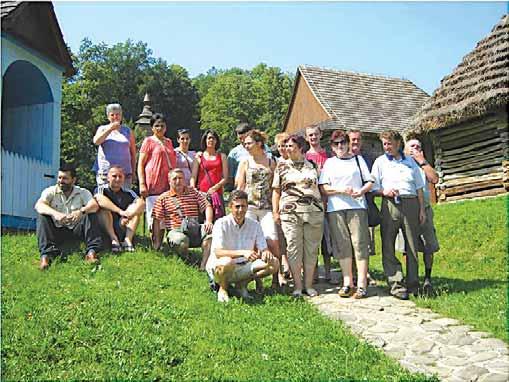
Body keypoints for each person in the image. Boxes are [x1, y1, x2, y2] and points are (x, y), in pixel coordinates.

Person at [371, 130, 426, 300]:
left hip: (411, 203)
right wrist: (384, 191)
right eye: (384, 144)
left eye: (389, 144)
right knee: (388, 243)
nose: (387, 147)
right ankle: (396, 283)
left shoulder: (410, 162)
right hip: (390, 204)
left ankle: (413, 284)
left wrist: (422, 210)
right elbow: (372, 188)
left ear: (398, 144)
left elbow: (419, 187)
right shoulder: (380, 162)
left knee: (411, 244)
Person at [319, 130, 374, 299]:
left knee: (360, 243)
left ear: (348, 143)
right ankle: (347, 282)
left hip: (357, 206)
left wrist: (361, 191)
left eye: (343, 142)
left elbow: (370, 181)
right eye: (336, 144)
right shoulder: (329, 163)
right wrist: (340, 190)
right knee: (342, 245)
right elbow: (324, 187)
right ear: (332, 147)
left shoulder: (358, 160)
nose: (340, 146)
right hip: (336, 208)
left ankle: (362, 284)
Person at [273, 135, 324, 297]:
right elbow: (276, 191)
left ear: (301, 147)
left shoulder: (313, 165)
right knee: (293, 248)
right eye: (285, 146)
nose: (287, 148)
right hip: (290, 213)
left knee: (311, 250)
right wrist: (275, 212)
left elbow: (321, 188)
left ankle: (308, 286)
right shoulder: (281, 167)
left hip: (313, 212)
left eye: (290, 146)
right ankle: (297, 286)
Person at [206, 190, 279, 303]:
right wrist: (243, 252)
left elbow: (263, 248)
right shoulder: (221, 223)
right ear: (230, 207)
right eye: (237, 206)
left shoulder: (254, 225)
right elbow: (218, 252)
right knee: (227, 262)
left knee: (274, 263)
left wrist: (266, 253)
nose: (240, 210)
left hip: (243, 266)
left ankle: (241, 285)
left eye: (243, 206)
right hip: (222, 266)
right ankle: (223, 289)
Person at [236, 129, 285, 288]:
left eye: (249, 143)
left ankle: (277, 276)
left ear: (259, 143)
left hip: (267, 208)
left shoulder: (272, 161)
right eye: (245, 143)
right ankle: (258, 280)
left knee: (272, 241)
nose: (246, 145)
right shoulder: (245, 162)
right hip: (249, 207)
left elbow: (278, 186)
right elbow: (240, 186)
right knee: (252, 244)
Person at [35, 165, 102, 270]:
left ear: (73, 180)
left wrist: (81, 211)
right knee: (42, 216)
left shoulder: (82, 192)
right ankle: (46, 256)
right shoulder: (50, 191)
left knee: (91, 214)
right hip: (56, 230)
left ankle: (91, 253)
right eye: (59, 178)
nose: (61, 181)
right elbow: (39, 205)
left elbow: (94, 205)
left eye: (65, 178)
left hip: (76, 229)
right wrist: (55, 214)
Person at [152, 169, 214, 269]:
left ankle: (204, 264)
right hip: (176, 231)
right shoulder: (163, 198)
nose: (178, 181)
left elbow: (207, 206)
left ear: (184, 180)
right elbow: (156, 220)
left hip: (194, 228)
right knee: (181, 240)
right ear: (169, 181)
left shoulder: (193, 192)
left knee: (212, 233)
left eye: (180, 178)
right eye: (175, 179)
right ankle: (187, 260)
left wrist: (209, 221)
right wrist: (156, 243)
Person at [403, 138, 440, 295]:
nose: (415, 149)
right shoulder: (402, 163)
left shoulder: (423, 165)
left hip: (424, 208)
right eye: (412, 146)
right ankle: (411, 278)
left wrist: (422, 161)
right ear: (405, 149)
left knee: (428, 246)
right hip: (407, 209)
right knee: (407, 247)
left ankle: (427, 278)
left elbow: (434, 179)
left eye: (418, 146)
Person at [304, 124, 333, 283]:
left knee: (327, 240)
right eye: (310, 135)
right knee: (311, 240)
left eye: (315, 134)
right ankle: (313, 273)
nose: (313, 138)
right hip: (311, 203)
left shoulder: (328, 156)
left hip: (327, 202)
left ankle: (328, 272)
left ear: (320, 135)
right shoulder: (305, 157)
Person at [138, 113, 177, 231]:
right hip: (153, 181)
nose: (159, 128)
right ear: (152, 128)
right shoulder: (148, 141)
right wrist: (142, 183)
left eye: (162, 125)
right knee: (154, 211)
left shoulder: (169, 142)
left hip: (167, 181)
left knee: (167, 210)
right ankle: (154, 240)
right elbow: (140, 164)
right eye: (157, 126)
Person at [348, 129, 377, 284]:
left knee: (364, 242)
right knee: (351, 241)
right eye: (352, 139)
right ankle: (352, 272)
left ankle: (365, 273)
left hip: (365, 204)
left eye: (358, 139)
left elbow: (373, 180)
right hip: (347, 205)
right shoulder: (342, 159)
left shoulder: (368, 159)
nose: (355, 142)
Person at [95, 165, 145, 252]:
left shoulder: (129, 192)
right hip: (105, 226)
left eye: (120, 176)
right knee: (103, 210)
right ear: (108, 178)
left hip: (122, 224)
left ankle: (127, 240)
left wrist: (129, 215)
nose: (117, 179)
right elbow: (99, 199)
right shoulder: (101, 189)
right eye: (114, 176)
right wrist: (120, 212)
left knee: (136, 212)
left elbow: (141, 203)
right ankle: (113, 239)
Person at [93, 103, 137, 188]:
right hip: (106, 174)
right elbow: (96, 141)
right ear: (108, 116)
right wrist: (110, 129)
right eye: (112, 115)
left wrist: (133, 172)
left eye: (117, 114)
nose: (115, 117)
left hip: (124, 174)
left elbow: (133, 153)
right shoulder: (102, 129)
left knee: (124, 198)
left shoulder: (127, 131)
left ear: (121, 116)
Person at [190, 130, 228, 219]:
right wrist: (193, 190)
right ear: (205, 140)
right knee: (202, 221)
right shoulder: (199, 157)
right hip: (202, 194)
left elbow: (225, 177)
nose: (211, 140)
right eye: (209, 138)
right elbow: (193, 176)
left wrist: (215, 188)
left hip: (217, 194)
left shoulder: (222, 156)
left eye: (213, 138)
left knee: (219, 220)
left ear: (216, 141)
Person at [273, 132, 291, 278]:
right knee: (280, 238)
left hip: (293, 205)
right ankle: (283, 268)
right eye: (279, 146)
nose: (281, 148)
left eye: (284, 145)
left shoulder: (295, 160)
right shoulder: (276, 162)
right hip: (279, 204)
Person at [227, 122, 254, 189]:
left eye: (244, 138)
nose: (242, 141)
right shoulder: (234, 153)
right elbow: (230, 176)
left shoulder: (262, 148)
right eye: (240, 138)